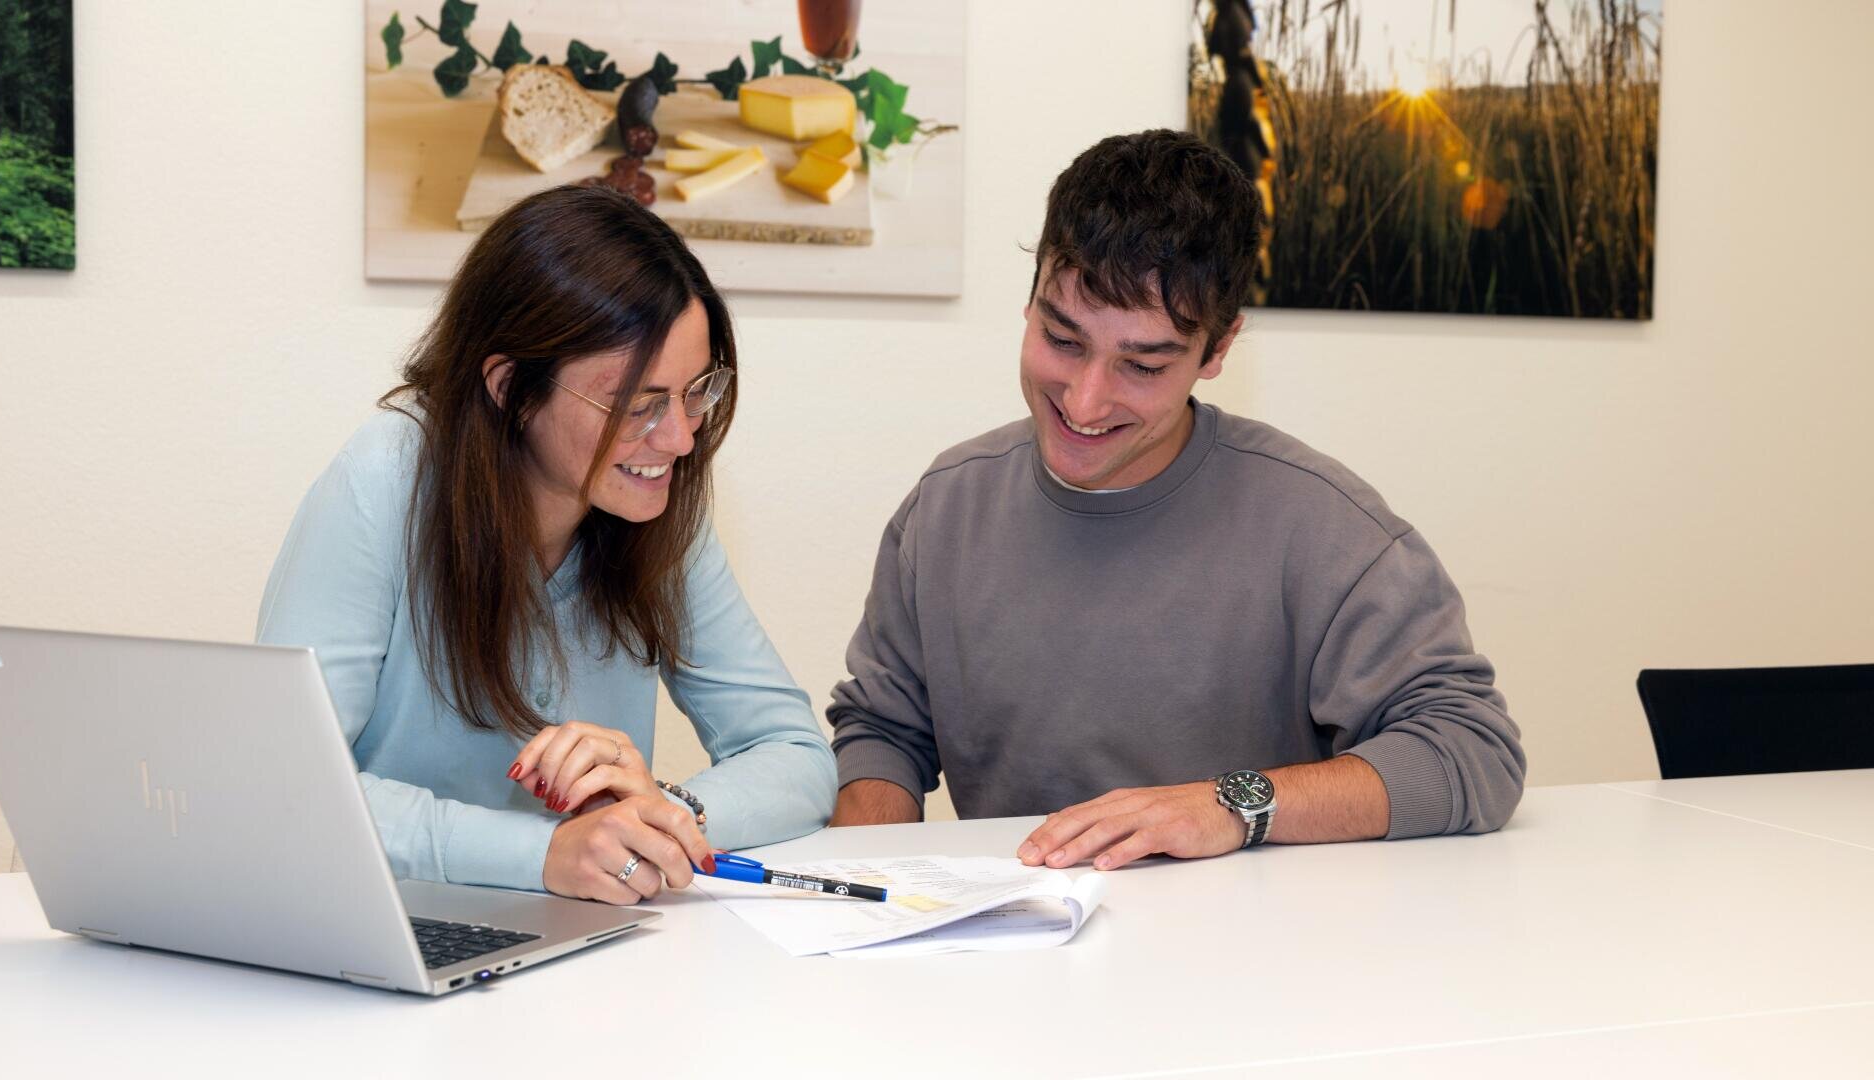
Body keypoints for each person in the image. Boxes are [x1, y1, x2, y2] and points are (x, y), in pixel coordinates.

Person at [826, 130, 1525, 872]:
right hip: (1022, 952)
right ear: (1030, 301)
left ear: (1218, 350)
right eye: (1063, 340)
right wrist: (860, 890)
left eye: (1143, 364)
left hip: (1256, 959)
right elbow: (884, 730)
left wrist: (1231, 805)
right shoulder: (946, 508)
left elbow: (1472, 750)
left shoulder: (1324, 530)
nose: (1086, 399)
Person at [258, 185, 834, 905]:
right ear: (509, 387)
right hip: (388, 930)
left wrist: (664, 810)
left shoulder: (655, 500)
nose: (681, 439)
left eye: (695, 391)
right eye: (638, 404)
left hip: (590, 954)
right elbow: (284, 786)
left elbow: (799, 760)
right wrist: (543, 853)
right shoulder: (383, 480)